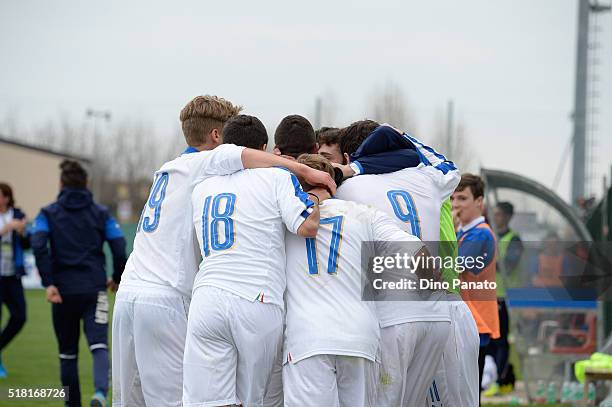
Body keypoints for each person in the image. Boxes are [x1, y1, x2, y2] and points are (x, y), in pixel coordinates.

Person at [112, 97, 334, 407]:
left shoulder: (169, 168)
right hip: (170, 297)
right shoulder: (207, 164)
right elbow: (241, 155)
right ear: (217, 136)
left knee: (132, 400)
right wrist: (306, 171)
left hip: (130, 294)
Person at [184, 115, 322, 406]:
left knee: (211, 401)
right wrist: (319, 196)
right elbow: (307, 227)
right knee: (254, 400)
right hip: (256, 299)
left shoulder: (201, 187)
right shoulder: (276, 177)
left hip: (207, 298)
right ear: (263, 147)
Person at [283, 154, 428, 407]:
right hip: (359, 336)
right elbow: (415, 252)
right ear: (332, 183)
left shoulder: (284, 219)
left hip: (307, 338)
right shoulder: (364, 215)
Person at [335, 121, 463, 407]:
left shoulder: (348, 189)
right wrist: (403, 137)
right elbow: (448, 166)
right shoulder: (427, 179)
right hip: (436, 314)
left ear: (347, 157)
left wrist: (356, 168)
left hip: (391, 315)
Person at [31, 160, 127, 407]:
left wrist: (48, 282)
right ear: (86, 184)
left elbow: (38, 243)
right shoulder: (101, 213)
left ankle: (71, 403)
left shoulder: (47, 213)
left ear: (61, 184)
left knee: (67, 354)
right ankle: (99, 395)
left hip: (61, 292)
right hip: (96, 290)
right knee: (99, 345)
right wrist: (117, 278)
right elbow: (118, 246)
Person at [452, 173, 500, 405]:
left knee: (469, 394)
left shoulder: (480, 233)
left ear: (479, 202)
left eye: (462, 198)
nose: (455, 205)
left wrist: (446, 230)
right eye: (452, 199)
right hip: (466, 320)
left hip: (476, 321)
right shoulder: (463, 232)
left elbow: (452, 267)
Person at [484, 201, 523, 396]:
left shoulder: (513, 239)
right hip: (487, 295)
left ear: (507, 216)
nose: (496, 217)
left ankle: (499, 380)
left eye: (499, 214)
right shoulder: (489, 235)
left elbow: (509, 266)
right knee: (487, 339)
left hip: (502, 297)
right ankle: (487, 378)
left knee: (500, 340)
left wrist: (486, 258)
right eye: (494, 213)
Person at [0, 183, 29, 378]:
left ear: (8, 197)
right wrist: (7, 228)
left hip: (13, 275)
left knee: (20, 316)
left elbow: (27, 244)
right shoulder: (10, 221)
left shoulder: (19, 214)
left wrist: (22, 231)